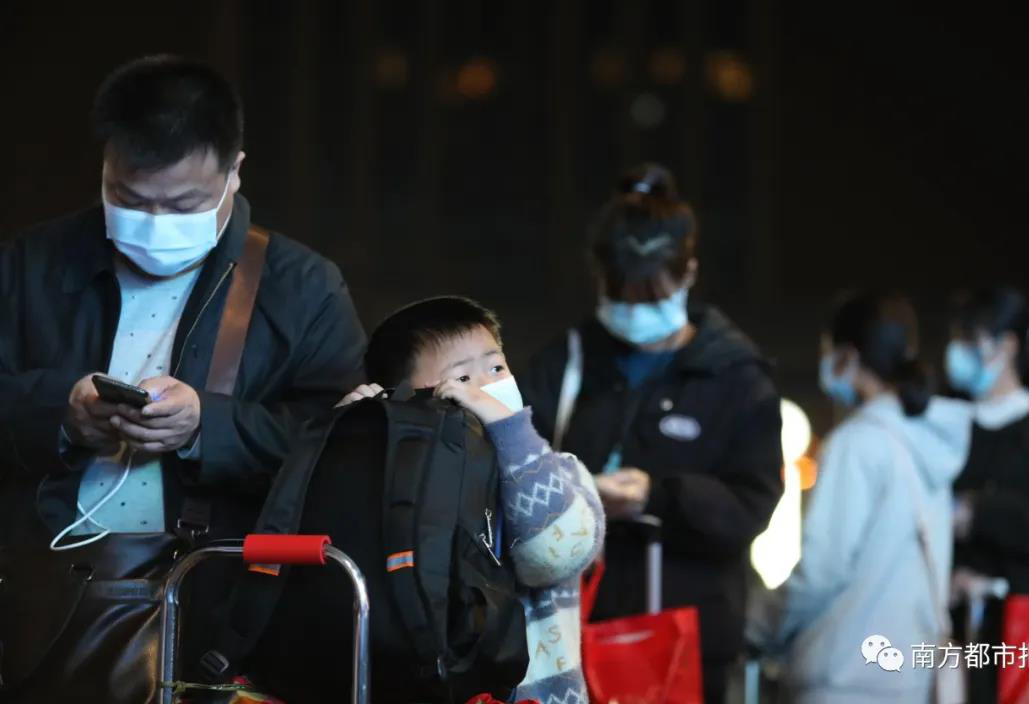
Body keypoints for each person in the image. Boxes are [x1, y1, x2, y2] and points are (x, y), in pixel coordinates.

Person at [0, 55, 366, 702]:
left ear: (234, 171)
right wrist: (60, 412)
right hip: (39, 606)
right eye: (130, 200)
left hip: (223, 606)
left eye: (184, 204)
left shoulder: (302, 287)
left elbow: (341, 449)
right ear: (106, 166)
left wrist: (207, 428)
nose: (155, 223)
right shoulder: (30, 266)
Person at [521, 163, 784, 701]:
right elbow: (515, 473)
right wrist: (579, 490)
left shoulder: (736, 377)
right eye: (623, 296)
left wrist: (657, 496)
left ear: (689, 274)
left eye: (652, 295)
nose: (636, 311)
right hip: (571, 635)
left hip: (689, 644)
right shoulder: (565, 363)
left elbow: (752, 504)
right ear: (599, 280)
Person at [338, 296, 605, 704]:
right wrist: (350, 440)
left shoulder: (559, 471)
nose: (487, 389)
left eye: (497, 368)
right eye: (461, 378)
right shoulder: (397, 488)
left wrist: (508, 428)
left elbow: (554, 556)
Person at [746, 292, 971, 704]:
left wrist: (756, 623)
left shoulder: (857, 444)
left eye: (827, 350)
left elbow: (820, 570)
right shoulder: (929, 444)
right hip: (908, 677)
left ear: (847, 355)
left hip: (843, 674)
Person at [944, 286, 1029, 701]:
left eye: (970, 338)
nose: (956, 351)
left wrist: (983, 515)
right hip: (949, 632)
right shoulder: (945, 423)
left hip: (1028, 632)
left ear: (1007, 345)